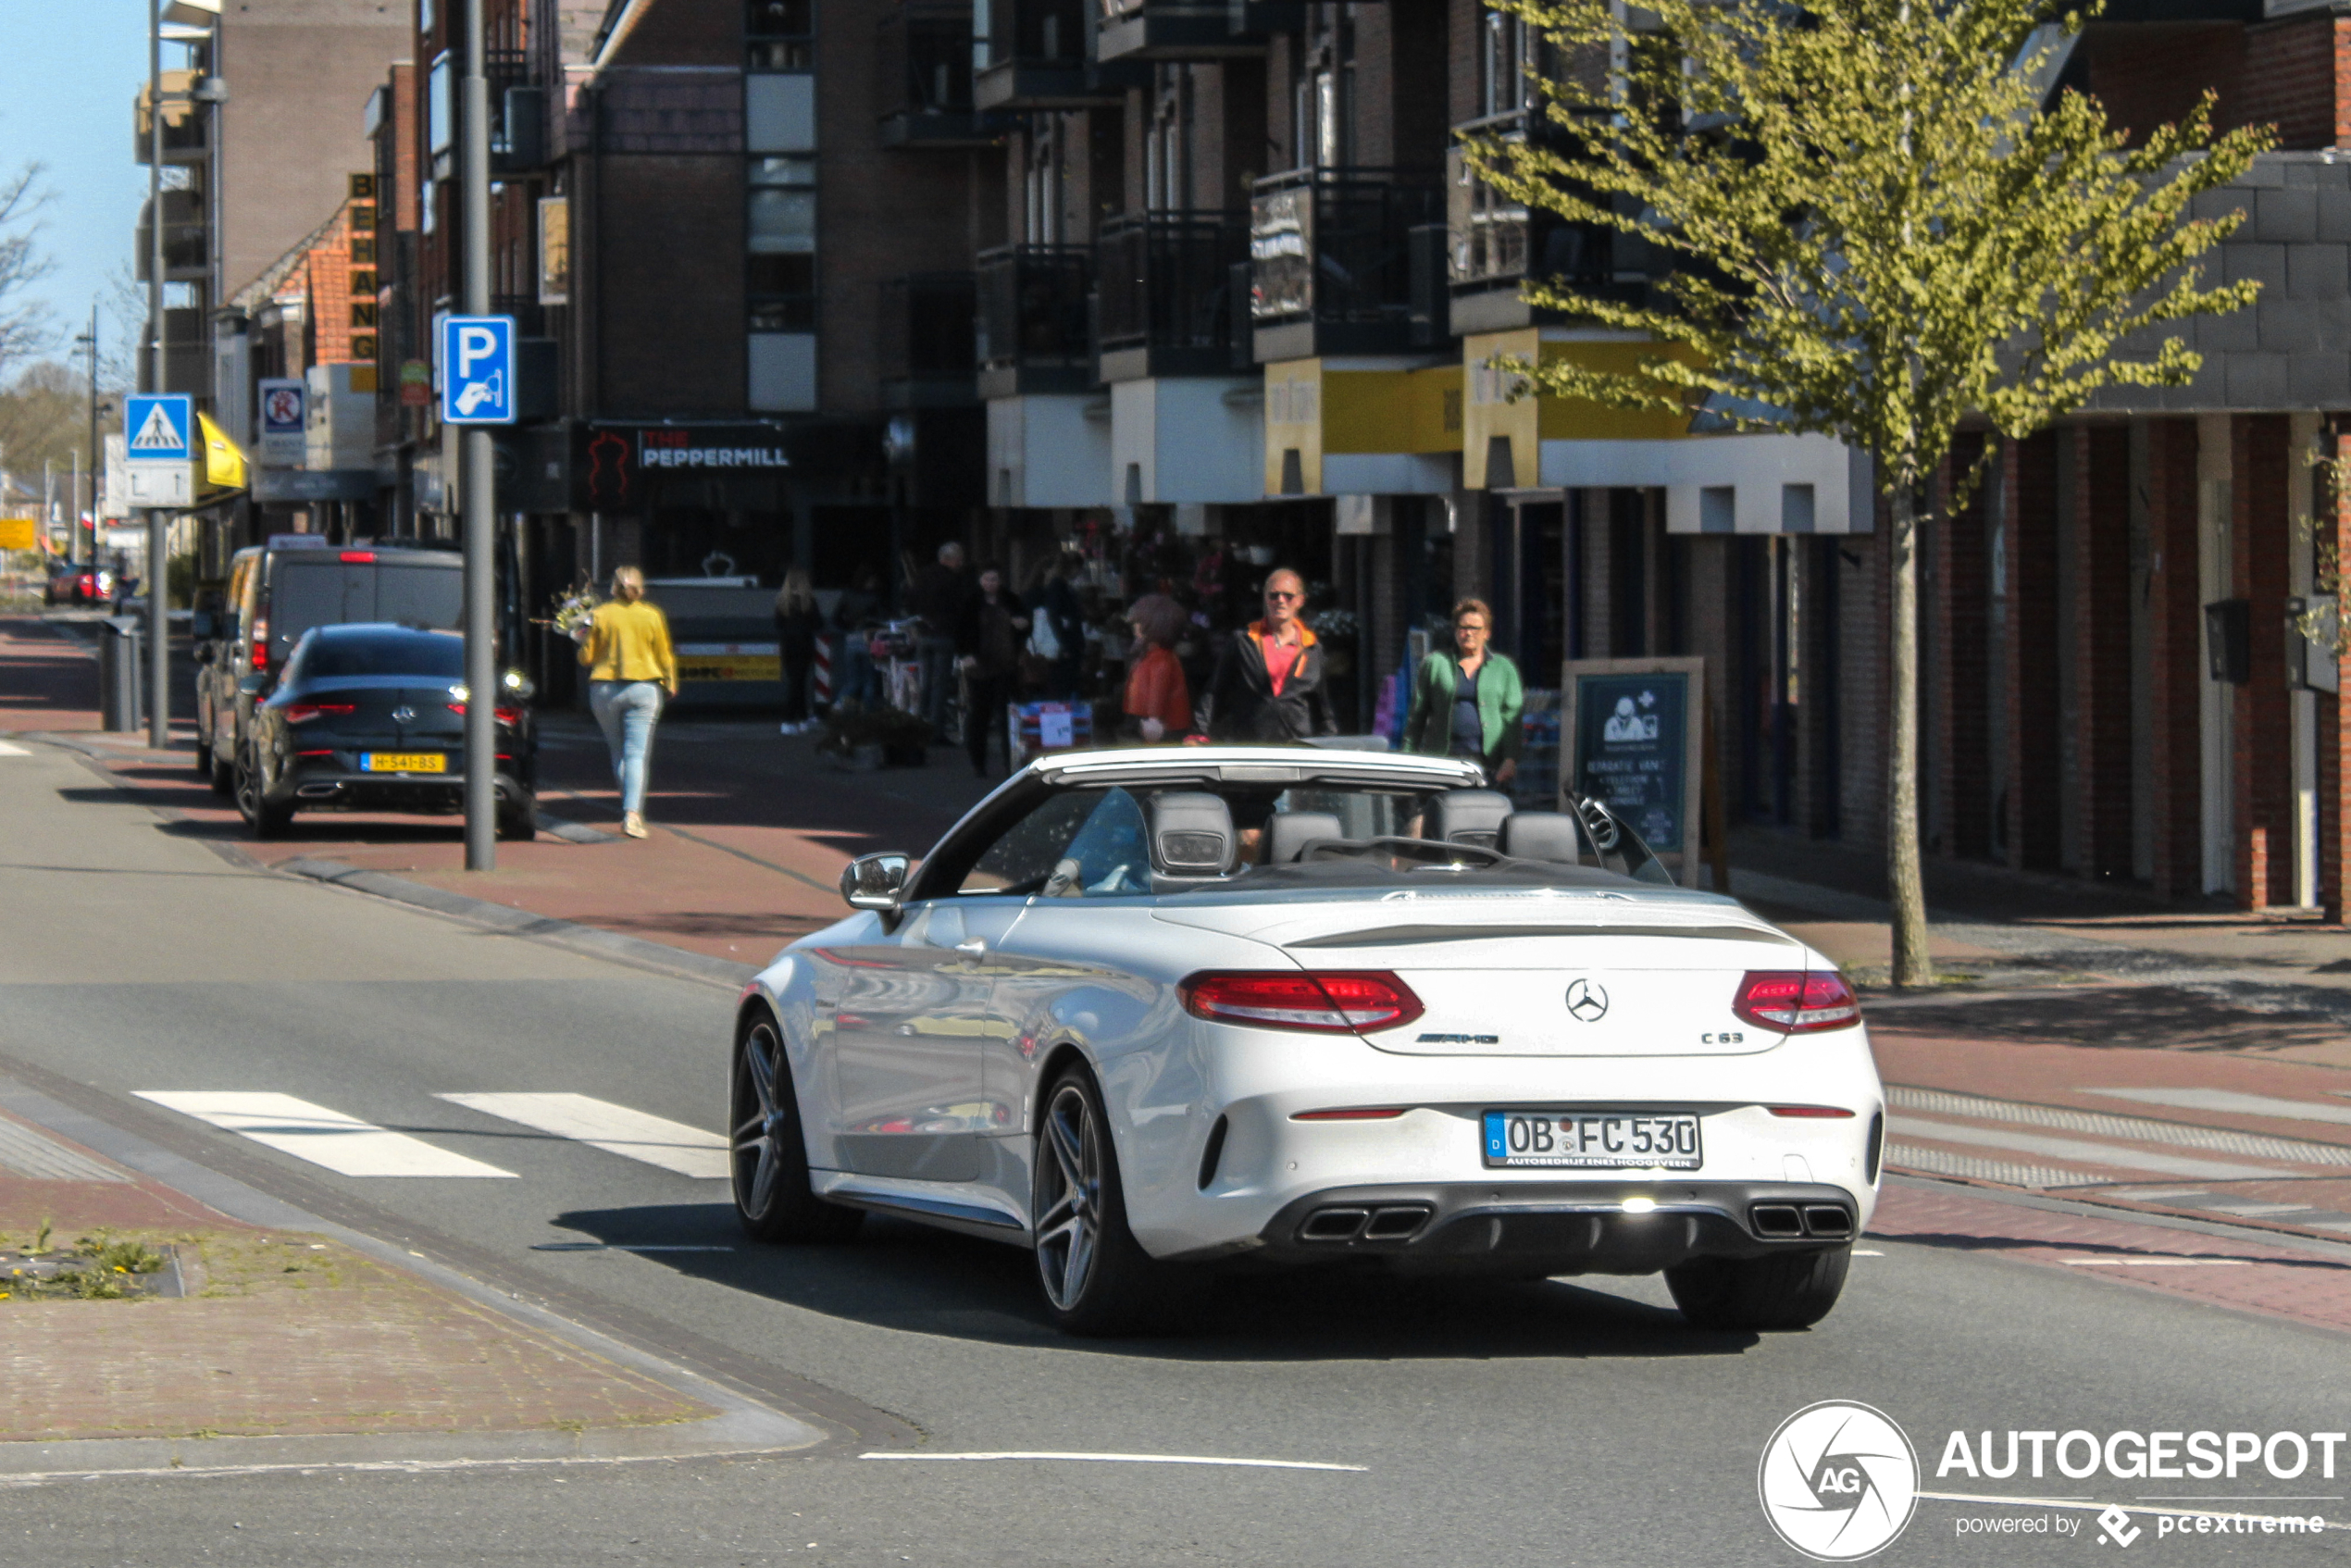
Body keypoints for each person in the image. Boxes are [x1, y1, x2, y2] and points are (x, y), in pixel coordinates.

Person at [573, 566, 678, 840]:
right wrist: (670, 681)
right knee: (637, 754)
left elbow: (586, 657)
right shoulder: (652, 615)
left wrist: (579, 636)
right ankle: (632, 814)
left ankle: (629, 807)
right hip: (645, 688)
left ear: (613, 588)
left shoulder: (600, 614)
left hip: (606, 688)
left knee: (618, 750)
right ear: (641, 588)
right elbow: (664, 652)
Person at [1188, 566, 1338, 743]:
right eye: (1274, 595)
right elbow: (1214, 691)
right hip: (1251, 746)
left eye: (1288, 596)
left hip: (1297, 748)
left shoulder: (1312, 648)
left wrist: (1329, 740)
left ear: (1300, 601)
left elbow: (1322, 705)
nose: (1280, 601)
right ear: (1265, 599)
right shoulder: (1244, 641)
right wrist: (1198, 733)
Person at [1402, 596, 1524, 787]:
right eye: (1463, 627)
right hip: (1442, 761)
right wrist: (1408, 758)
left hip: (1488, 764)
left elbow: (1512, 720)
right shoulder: (1435, 664)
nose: (1468, 633)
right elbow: (1416, 716)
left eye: (1475, 628)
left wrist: (1510, 759)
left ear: (1487, 633)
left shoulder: (1504, 668)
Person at [957, 563, 1027, 777]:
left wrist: (1023, 625)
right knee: (979, 714)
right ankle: (978, 762)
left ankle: (1010, 763)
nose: (990, 584)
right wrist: (966, 654)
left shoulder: (1011, 600)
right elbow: (961, 630)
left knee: (1007, 715)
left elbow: (1025, 623)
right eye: (986, 580)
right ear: (980, 581)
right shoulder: (971, 602)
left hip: (1006, 665)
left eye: (994, 579)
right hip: (979, 666)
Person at [909, 541, 970, 738]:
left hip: (924, 634)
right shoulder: (953, 580)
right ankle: (936, 731)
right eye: (959, 558)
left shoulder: (923, 576)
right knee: (940, 684)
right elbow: (960, 609)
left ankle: (919, 723)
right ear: (951, 559)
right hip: (944, 635)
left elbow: (911, 601)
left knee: (924, 682)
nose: (961, 562)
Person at [1122, 593, 1191, 742]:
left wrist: (1153, 719)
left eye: (1138, 623)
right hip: (1149, 721)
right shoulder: (1150, 655)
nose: (1134, 628)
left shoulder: (1161, 659)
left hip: (1163, 727)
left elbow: (1158, 691)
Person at [1025, 557, 1086, 700]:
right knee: (1059, 686)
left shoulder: (1053, 589)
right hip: (1057, 646)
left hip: (1053, 646)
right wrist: (1065, 643)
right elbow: (1054, 618)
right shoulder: (1055, 589)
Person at [772, 568, 820, 735]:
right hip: (804, 646)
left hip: (788, 647)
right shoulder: (809, 601)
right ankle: (791, 719)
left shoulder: (782, 601)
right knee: (799, 684)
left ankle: (801, 719)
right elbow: (817, 623)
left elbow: (778, 624)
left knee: (795, 683)